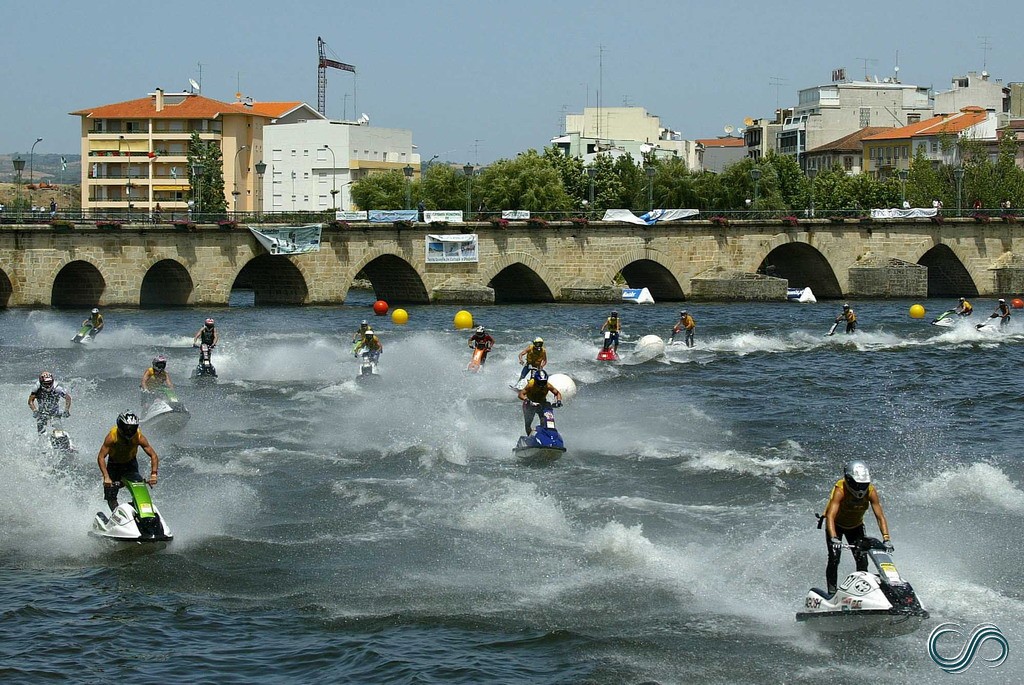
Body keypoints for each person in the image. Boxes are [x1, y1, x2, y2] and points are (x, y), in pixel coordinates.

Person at [822, 461, 892, 596]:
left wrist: (886, 539)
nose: (860, 488)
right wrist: (834, 538)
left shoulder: (871, 491)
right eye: (857, 484)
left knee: (862, 559)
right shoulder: (840, 489)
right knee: (834, 558)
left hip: (856, 527)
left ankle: (862, 592)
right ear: (849, 480)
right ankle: (831, 593)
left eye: (863, 485)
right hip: (835, 526)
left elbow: (880, 516)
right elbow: (830, 516)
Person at [96, 412, 160, 512]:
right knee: (110, 495)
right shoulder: (112, 437)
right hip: (114, 465)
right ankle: (116, 514)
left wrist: (154, 474)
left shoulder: (139, 437)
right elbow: (101, 457)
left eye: (132, 428)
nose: (129, 431)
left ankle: (142, 512)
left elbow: (153, 455)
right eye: (127, 428)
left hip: (130, 464)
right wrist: (106, 477)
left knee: (138, 486)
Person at [517, 369, 563, 436]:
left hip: (542, 404)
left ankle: (544, 436)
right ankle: (530, 437)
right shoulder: (531, 384)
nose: (542, 384)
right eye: (540, 382)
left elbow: (557, 393)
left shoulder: (548, 385)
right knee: (528, 424)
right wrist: (528, 400)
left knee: (544, 421)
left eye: (544, 382)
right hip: (530, 404)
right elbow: (520, 394)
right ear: (536, 380)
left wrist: (558, 401)